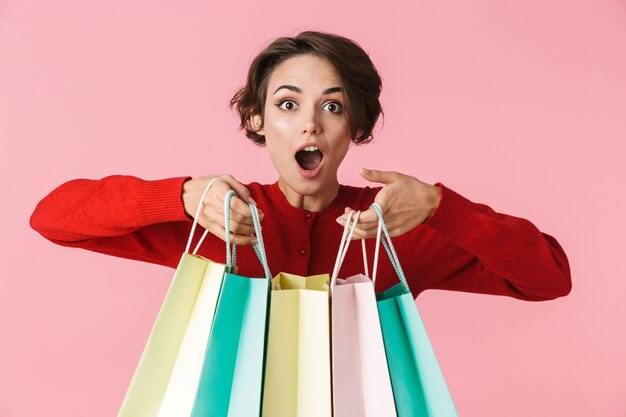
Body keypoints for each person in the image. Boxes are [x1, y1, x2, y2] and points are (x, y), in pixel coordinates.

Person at [30, 31, 571, 301]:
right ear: (258, 119)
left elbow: (549, 277)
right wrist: (182, 197)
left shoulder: (395, 228)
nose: (310, 123)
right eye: (288, 104)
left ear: (357, 128)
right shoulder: (225, 219)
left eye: (332, 106)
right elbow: (52, 218)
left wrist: (439, 206)